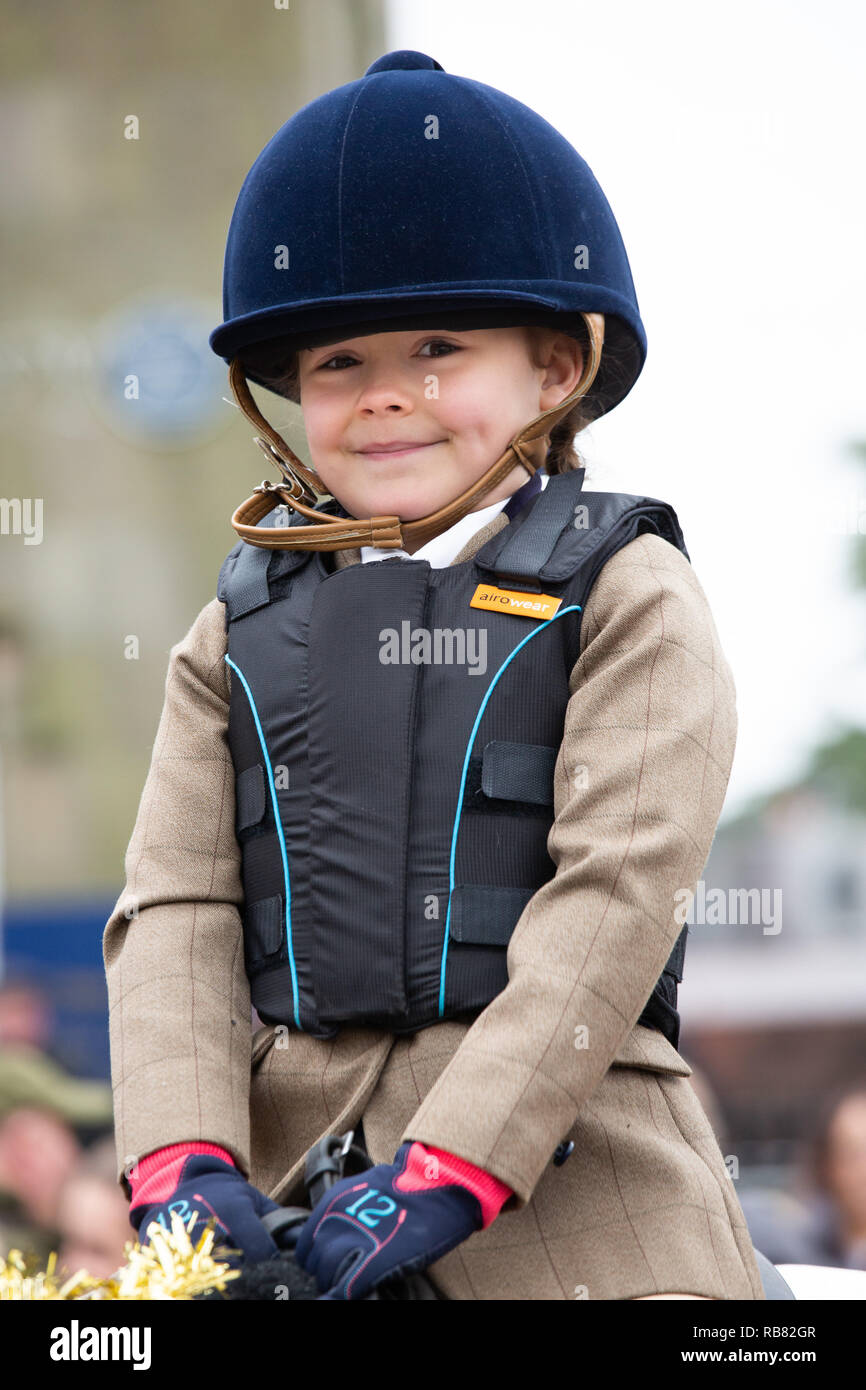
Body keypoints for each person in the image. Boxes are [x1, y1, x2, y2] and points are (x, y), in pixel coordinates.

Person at [103, 49, 765, 1300]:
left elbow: (613, 897)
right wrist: (183, 1163)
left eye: (439, 348)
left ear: (555, 370)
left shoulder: (627, 590)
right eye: (338, 364)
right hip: (291, 1209)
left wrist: (453, 1160)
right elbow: (175, 912)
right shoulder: (228, 631)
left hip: (580, 1202)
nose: (385, 397)